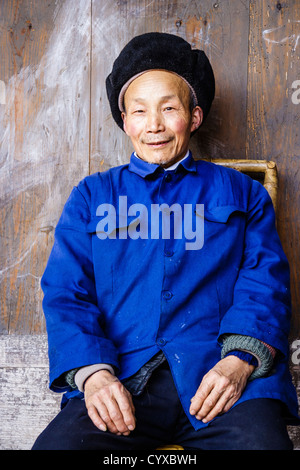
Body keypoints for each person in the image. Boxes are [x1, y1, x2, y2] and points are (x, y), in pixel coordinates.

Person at [32, 32, 299, 450]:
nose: (153, 124)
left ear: (193, 117)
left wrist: (239, 362)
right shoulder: (92, 195)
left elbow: (265, 282)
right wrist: (94, 375)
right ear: (125, 121)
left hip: (221, 379)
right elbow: (67, 292)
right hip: (125, 379)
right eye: (138, 111)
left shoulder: (244, 194)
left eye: (169, 108)